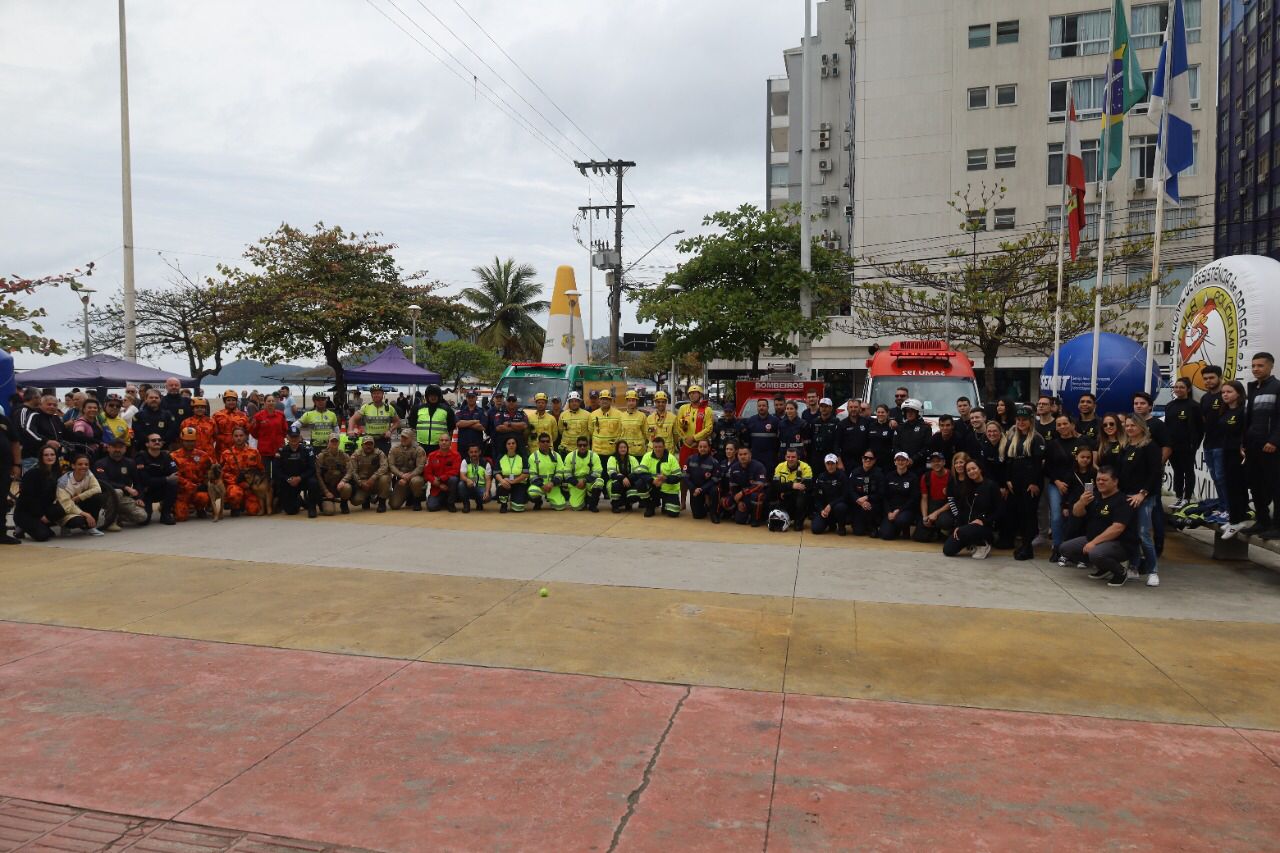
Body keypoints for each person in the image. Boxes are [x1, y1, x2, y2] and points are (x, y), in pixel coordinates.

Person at [1060, 466, 1135, 587]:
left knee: (1096, 553)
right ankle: (1104, 567)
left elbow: (1118, 528)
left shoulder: (1123, 501)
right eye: (1098, 479)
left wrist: (1094, 542)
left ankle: (1121, 572)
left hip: (1120, 544)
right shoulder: (1095, 497)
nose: (1100, 482)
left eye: (1104, 480)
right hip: (1093, 539)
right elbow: (1077, 513)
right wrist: (1081, 502)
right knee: (1065, 548)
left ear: (1115, 481)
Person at [1118, 415, 1164, 586]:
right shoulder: (1127, 446)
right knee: (1130, 534)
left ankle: (1153, 571)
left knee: (1143, 534)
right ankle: (1134, 567)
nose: (1129, 428)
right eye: (1127, 425)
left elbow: (1155, 473)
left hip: (1144, 497)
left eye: (1133, 425)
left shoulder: (1150, 446)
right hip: (1126, 496)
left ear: (1141, 427)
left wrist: (1142, 493)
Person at [999, 405, 1045, 560]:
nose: (1021, 422)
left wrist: (1034, 483)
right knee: (1019, 515)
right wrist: (1008, 480)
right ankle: (1023, 544)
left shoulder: (1037, 439)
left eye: (1024, 420)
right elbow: (1009, 462)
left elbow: (1039, 465)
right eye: (1018, 420)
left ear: (1031, 420)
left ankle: (1028, 548)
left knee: (1029, 516)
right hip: (1015, 483)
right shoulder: (1014, 438)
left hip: (1030, 483)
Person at [1043, 416, 1091, 563]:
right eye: (1059, 425)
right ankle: (1057, 548)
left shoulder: (1082, 442)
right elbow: (1047, 467)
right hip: (1056, 485)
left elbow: (1087, 464)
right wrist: (1057, 482)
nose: (1062, 427)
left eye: (1065, 423)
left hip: (1077, 487)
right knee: (1057, 517)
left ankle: (1075, 550)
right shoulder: (1052, 444)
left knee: (1075, 518)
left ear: (1072, 424)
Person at [1244, 352, 1280, 538]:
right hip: (1253, 446)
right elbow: (1249, 419)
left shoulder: (1277, 387)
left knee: (1275, 486)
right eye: (1254, 366)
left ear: (1270, 366)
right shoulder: (1253, 388)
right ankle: (1262, 521)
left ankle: (1277, 526)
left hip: (1271, 447)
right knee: (1256, 486)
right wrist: (1244, 442)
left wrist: (1274, 440)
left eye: (1260, 366)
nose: (1256, 369)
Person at [942, 460, 1001, 559]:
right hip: (966, 526)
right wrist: (958, 525)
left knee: (963, 532)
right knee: (948, 550)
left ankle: (983, 544)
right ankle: (971, 542)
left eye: (974, 468)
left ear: (980, 469)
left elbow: (999, 510)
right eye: (968, 470)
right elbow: (961, 509)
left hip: (984, 526)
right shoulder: (967, 486)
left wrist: (984, 521)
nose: (971, 472)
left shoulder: (991, 486)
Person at [1218, 381, 1252, 539]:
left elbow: (1246, 432)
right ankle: (1235, 517)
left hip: (1238, 453)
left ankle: (1237, 520)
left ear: (1238, 393)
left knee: (1237, 486)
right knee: (1230, 486)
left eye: (1229, 392)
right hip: (1226, 451)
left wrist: (1243, 446)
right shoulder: (1225, 411)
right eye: (1223, 392)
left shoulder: (1243, 411)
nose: (1225, 395)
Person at [1162, 378, 1203, 512]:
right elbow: (1167, 426)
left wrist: (1195, 444)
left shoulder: (1194, 406)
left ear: (1188, 389)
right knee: (1177, 472)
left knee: (1188, 471)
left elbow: (1200, 428)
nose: (1178, 389)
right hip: (1173, 446)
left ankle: (1187, 498)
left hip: (1187, 446)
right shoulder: (1169, 406)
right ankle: (1179, 496)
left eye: (1182, 387)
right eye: (1176, 387)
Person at [1197, 366, 1229, 522]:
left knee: (1223, 477)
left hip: (1223, 445)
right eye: (1205, 378)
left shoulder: (1226, 396)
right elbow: (1203, 421)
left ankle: (1229, 509)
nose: (1208, 381)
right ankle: (1222, 508)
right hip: (1209, 444)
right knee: (1216, 478)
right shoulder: (1205, 398)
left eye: (1211, 378)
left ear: (1220, 377)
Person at [14, 446, 62, 541]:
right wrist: (40, 515)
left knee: (61, 510)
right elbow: (28, 499)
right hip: (26, 512)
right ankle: (21, 527)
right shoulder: (33, 474)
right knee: (43, 536)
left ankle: (40, 525)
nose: (49, 457)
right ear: (41, 457)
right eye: (46, 455)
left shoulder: (56, 473)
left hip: (43, 509)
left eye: (52, 454)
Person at [54, 453, 106, 536]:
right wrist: (86, 514)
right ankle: (65, 526)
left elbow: (97, 489)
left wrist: (79, 497)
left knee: (98, 497)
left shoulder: (89, 473)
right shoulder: (63, 482)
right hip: (65, 509)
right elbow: (66, 505)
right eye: (80, 464)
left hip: (78, 503)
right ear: (73, 466)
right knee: (78, 521)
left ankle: (91, 527)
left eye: (86, 464)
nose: (84, 466)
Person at [133, 432, 179, 525]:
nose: (157, 442)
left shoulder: (166, 456)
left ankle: (165, 514)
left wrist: (166, 479)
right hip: (146, 491)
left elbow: (174, 473)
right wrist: (166, 479)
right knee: (144, 521)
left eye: (159, 440)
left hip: (161, 489)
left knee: (173, 483)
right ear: (147, 444)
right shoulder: (141, 457)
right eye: (153, 440)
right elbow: (145, 480)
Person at [275, 423, 320, 518]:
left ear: (300, 437)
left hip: (303, 479)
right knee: (291, 511)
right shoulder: (281, 451)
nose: (294, 439)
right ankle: (299, 501)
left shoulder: (308, 450)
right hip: (289, 481)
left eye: (296, 437)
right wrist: (287, 479)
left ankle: (312, 507)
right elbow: (277, 470)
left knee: (313, 482)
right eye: (292, 437)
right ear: (287, 437)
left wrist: (300, 478)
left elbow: (312, 468)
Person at [171, 426, 215, 522]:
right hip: (182, 492)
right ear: (181, 441)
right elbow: (175, 476)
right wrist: (193, 486)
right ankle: (169, 506)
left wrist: (207, 483)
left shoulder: (203, 455)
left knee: (203, 497)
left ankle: (200, 509)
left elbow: (211, 471)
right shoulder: (173, 456)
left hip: (198, 491)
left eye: (192, 441)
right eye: (187, 441)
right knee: (181, 517)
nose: (189, 443)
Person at [221, 426, 266, 516]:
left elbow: (261, 470)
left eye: (241, 435)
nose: (239, 438)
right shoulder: (226, 453)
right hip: (235, 485)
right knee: (234, 494)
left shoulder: (254, 452)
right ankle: (235, 507)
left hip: (251, 486)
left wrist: (253, 484)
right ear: (232, 437)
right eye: (236, 436)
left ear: (246, 436)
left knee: (254, 510)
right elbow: (224, 474)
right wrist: (239, 483)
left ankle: (245, 504)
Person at [912, 452, 953, 542]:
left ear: (944, 462)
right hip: (932, 505)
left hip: (946, 507)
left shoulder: (952, 476)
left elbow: (953, 501)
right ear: (930, 464)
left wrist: (936, 513)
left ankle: (944, 532)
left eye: (939, 461)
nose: (936, 463)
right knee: (919, 537)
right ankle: (934, 531)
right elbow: (924, 498)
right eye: (933, 461)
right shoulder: (926, 477)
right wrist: (925, 517)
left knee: (945, 522)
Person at [723, 445, 768, 527]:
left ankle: (756, 519)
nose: (743, 456)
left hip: (755, 495)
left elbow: (760, 485)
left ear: (750, 455)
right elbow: (733, 487)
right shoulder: (734, 467)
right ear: (737, 456)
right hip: (742, 497)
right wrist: (739, 502)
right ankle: (737, 513)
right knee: (726, 502)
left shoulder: (759, 466)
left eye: (745, 454)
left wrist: (743, 493)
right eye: (740, 455)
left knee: (757, 496)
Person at [879, 451, 919, 540]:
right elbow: (884, 497)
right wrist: (889, 512)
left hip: (906, 510)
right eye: (898, 460)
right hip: (891, 510)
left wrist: (899, 510)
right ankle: (895, 529)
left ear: (908, 462)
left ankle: (904, 528)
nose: (900, 462)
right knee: (886, 535)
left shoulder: (913, 477)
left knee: (901, 520)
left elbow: (914, 498)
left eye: (903, 460)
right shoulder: (889, 476)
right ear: (895, 462)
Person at [770, 447, 813, 531]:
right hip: (784, 495)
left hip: (796, 495)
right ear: (785, 457)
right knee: (770, 493)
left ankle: (798, 522)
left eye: (793, 457)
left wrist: (785, 490)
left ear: (798, 458)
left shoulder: (805, 467)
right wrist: (792, 485)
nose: (790, 459)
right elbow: (775, 485)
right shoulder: (780, 466)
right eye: (788, 457)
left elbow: (807, 486)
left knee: (802, 496)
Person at [639, 436, 682, 518]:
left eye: (660, 447)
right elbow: (641, 472)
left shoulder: (671, 458)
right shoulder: (647, 456)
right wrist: (652, 481)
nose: (658, 449)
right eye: (655, 447)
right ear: (652, 447)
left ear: (664, 447)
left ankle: (665, 504)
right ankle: (649, 507)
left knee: (674, 513)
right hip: (654, 486)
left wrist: (665, 478)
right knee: (640, 483)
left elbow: (678, 476)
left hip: (669, 489)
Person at [349, 385, 400, 454]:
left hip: (384, 440)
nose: (376, 395)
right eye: (374, 393)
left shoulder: (389, 408)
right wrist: (351, 430)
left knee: (384, 462)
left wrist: (390, 431)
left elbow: (397, 422)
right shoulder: (366, 407)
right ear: (371, 395)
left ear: (382, 394)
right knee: (368, 462)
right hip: (369, 441)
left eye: (378, 393)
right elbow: (352, 419)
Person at [21, 393, 66, 470]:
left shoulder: (56, 418)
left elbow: (67, 433)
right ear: (40, 405)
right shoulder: (35, 415)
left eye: (54, 405)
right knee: (32, 481)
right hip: (34, 458)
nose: (52, 407)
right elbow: (28, 430)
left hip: (53, 459)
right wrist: (47, 441)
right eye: (49, 404)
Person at [561, 435, 605, 512]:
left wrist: (584, 481)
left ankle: (593, 505)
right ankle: (585, 499)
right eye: (580, 445)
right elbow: (566, 473)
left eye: (584, 445)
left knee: (599, 482)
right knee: (576, 507)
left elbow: (598, 472)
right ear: (577, 446)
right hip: (576, 483)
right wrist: (576, 483)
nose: (582, 447)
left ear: (588, 445)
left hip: (589, 482)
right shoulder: (570, 456)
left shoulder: (594, 456)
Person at [847, 449, 884, 536]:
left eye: (870, 458)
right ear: (862, 459)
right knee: (858, 532)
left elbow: (881, 492)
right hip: (858, 503)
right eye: (865, 458)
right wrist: (858, 500)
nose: (868, 460)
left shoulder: (879, 474)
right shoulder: (855, 472)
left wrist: (867, 498)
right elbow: (850, 490)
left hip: (872, 504)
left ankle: (872, 526)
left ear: (874, 461)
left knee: (869, 508)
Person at [809, 454, 848, 535]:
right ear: (825, 464)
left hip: (837, 506)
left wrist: (831, 505)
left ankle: (841, 526)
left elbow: (845, 496)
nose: (830, 466)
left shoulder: (842, 476)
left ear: (836, 464)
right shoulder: (821, 477)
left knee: (841, 507)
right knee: (815, 529)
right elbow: (817, 497)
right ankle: (831, 524)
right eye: (828, 463)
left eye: (832, 463)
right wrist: (821, 510)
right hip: (825, 509)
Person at [389, 428, 428, 511]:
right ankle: (408, 495)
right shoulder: (394, 449)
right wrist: (401, 475)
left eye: (406, 438)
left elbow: (420, 467)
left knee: (416, 481)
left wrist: (408, 476)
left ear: (412, 438)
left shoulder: (419, 450)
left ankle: (417, 499)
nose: (403, 439)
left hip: (415, 477)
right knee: (394, 505)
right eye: (402, 437)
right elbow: (391, 466)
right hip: (401, 479)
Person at [525, 432, 565, 511]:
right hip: (539, 486)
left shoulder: (556, 456)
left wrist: (551, 483)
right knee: (532, 492)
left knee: (560, 507)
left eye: (547, 441)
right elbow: (533, 476)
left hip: (553, 486)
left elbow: (560, 473)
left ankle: (550, 498)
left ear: (550, 443)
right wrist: (542, 485)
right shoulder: (533, 457)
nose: (545, 443)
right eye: (543, 441)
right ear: (539, 443)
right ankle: (538, 502)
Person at [684, 438, 721, 522]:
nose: (702, 449)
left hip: (708, 488)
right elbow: (685, 476)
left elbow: (715, 480)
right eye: (700, 446)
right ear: (698, 447)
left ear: (709, 448)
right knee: (697, 516)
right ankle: (706, 507)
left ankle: (714, 513)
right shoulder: (690, 459)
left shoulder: (714, 462)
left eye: (705, 447)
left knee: (715, 490)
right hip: (695, 488)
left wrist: (702, 489)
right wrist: (693, 488)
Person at [351, 434, 391, 513]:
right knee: (355, 501)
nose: (368, 446)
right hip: (363, 483)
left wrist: (373, 478)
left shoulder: (379, 453)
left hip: (376, 481)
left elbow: (384, 467)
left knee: (385, 478)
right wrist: (360, 483)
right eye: (366, 444)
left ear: (374, 445)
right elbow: (352, 471)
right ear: (362, 445)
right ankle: (367, 498)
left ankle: (382, 503)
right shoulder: (356, 455)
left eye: (370, 444)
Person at [315, 434, 354, 515]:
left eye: (336, 441)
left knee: (347, 487)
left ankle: (344, 503)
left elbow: (350, 470)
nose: (334, 443)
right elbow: (318, 475)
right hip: (327, 487)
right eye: (332, 441)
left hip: (339, 486)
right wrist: (325, 491)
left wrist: (343, 481)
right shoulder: (322, 456)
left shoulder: (344, 455)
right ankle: (324, 501)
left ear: (339, 442)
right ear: (328, 443)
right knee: (329, 512)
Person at [676, 386, 714, 467]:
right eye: (690, 393)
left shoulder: (707, 410)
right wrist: (686, 439)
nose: (691, 395)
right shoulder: (683, 408)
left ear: (700, 395)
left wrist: (694, 438)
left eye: (694, 393)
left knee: (702, 471)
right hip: (686, 445)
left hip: (701, 448)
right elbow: (678, 426)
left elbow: (709, 429)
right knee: (684, 469)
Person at [743, 398, 782, 475]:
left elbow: (779, 438)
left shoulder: (775, 421)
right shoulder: (750, 420)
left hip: (770, 456)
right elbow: (747, 439)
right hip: (755, 455)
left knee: (769, 476)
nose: (761, 407)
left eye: (764, 405)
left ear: (768, 407)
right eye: (759, 406)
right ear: (757, 407)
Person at [410, 385, 455, 453]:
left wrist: (448, 443)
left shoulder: (447, 410)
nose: (433, 397)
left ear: (439, 396)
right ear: (427, 396)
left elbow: (451, 428)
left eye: (435, 395)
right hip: (420, 446)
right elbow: (412, 426)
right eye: (431, 395)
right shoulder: (417, 409)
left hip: (440, 446)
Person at [424, 433, 462, 512]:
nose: (444, 442)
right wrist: (439, 484)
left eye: (446, 440)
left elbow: (455, 471)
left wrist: (441, 478)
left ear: (450, 442)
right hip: (437, 488)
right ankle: (441, 501)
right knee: (432, 507)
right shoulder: (431, 455)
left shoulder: (456, 455)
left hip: (450, 486)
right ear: (438, 442)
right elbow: (427, 474)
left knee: (453, 479)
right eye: (441, 440)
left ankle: (450, 503)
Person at [892, 399, 931, 473]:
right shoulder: (900, 427)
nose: (909, 413)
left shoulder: (925, 428)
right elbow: (895, 446)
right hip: (901, 465)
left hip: (919, 466)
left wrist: (913, 459)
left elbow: (927, 447)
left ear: (918, 412)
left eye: (912, 411)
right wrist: (903, 459)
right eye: (907, 411)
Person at [212, 390, 250, 460]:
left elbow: (247, 431)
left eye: (233, 400)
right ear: (225, 401)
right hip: (221, 448)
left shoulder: (242, 415)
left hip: (239, 447)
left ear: (236, 401)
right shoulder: (217, 415)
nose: (231, 402)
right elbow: (213, 432)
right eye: (228, 400)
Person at [607, 439, 643, 513]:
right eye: (621, 447)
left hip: (629, 482)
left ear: (627, 449)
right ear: (617, 449)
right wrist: (622, 478)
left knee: (636, 491)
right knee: (616, 485)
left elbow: (638, 473)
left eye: (625, 447)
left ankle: (627, 502)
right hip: (616, 482)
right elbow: (611, 473)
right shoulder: (612, 459)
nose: (623, 449)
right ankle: (615, 505)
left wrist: (628, 478)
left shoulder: (632, 459)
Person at [494, 436, 528, 513]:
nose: (511, 445)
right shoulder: (501, 457)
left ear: (516, 445)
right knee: (502, 487)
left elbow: (525, 474)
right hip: (505, 482)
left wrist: (514, 481)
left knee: (518, 508)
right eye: (508, 444)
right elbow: (496, 472)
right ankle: (504, 504)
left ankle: (515, 500)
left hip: (519, 483)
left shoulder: (522, 457)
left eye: (513, 443)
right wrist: (502, 480)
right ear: (505, 446)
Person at [454, 390, 489, 461]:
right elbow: (458, 424)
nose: (471, 399)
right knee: (463, 466)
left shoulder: (482, 411)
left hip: (477, 445)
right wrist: (474, 421)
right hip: (463, 446)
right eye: (469, 397)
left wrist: (465, 423)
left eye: (472, 397)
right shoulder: (461, 411)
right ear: (466, 398)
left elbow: (482, 427)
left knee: (477, 466)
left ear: (476, 398)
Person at [557, 392, 592, 458]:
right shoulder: (563, 415)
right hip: (566, 450)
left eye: (576, 401)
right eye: (572, 401)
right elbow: (561, 431)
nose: (574, 403)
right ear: (569, 403)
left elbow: (591, 431)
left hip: (582, 449)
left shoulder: (587, 415)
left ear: (579, 402)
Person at [458, 444, 491, 512]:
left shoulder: (486, 463)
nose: (474, 454)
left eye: (476, 452)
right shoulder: (465, 461)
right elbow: (462, 476)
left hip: (480, 488)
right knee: (461, 484)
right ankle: (466, 504)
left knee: (487, 497)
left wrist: (487, 492)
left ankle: (479, 503)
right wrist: (467, 480)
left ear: (479, 452)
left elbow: (488, 480)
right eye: (471, 452)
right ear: (468, 453)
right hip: (469, 486)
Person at [645, 391, 679, 457]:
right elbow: (647, 435)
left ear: (666, 403)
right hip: (652, 452)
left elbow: (676, 436)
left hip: (668, 452)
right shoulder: (649, 418)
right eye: (658, 402)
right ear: (655, 402)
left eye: (663, 402)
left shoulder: (673, 417)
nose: (661, 404)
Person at [617, 392, 649, 460]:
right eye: (629, 400)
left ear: (636, 401)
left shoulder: (642, 416)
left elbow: (646, 433)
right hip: (625, 452)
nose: (631, 403)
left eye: (633, 400)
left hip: (639, 452)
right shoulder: (621, 416)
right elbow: (619, 433)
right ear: (626, 402)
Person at [866, 405, 895, 471]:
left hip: (887, 461)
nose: (880, 414)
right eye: (878, 412)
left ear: (887, 413)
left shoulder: (891, 426)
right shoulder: (871, 426)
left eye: (882, 412)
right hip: (873, 460)